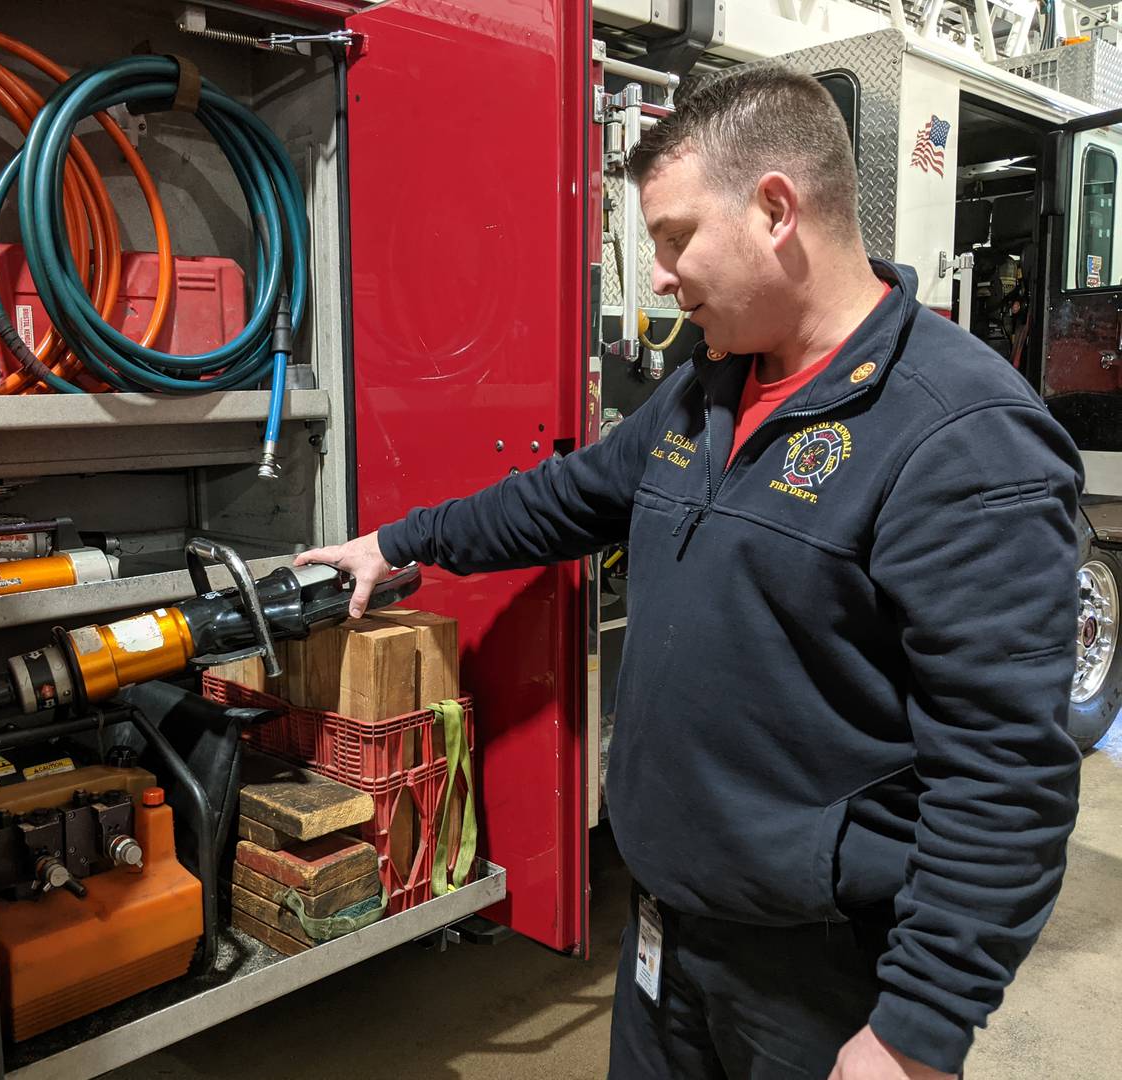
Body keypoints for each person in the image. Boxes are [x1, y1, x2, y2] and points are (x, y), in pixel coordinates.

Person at [296, 66, 1083, 1080]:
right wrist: (398, 544)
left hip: (822, 974)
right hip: (669, 934)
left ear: (774, 210)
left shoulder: (964, 439)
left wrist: (917, 1031)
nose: (659, 275)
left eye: (671, 238)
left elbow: (1005, 773)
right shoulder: (704, 394)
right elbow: (561, 498)